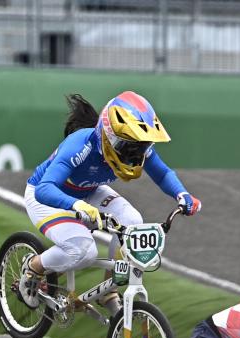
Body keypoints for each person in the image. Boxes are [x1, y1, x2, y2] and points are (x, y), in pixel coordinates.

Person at [19, 92, 202, 313]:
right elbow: (45, 189)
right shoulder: (80, 146)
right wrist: (77, 206)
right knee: (85, 251)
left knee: (133, 222)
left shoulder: (136, 148)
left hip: (87, 191)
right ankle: (33, 267)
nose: (135, 155)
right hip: (47, 198)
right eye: (130, 147)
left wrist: (182, 195)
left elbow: (162, 174)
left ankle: (108, 291)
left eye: (140, 147)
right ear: (109, 138)